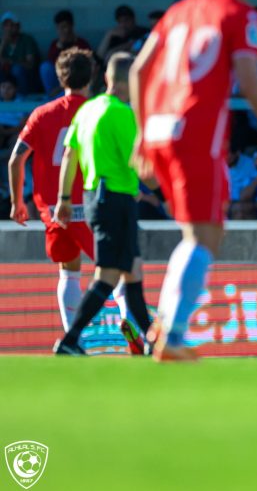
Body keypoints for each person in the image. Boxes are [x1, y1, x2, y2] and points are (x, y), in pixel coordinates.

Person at [130, 0, 257, 361]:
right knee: (205, 234)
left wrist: (140, 132)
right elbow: (249, 79)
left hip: (157, 128)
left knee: (200, 232)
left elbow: (137, 70)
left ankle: (166, 327)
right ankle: (173, 337)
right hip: (196, 132)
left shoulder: (179, 10)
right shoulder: (241, 15)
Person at [52, 52, 153, 355]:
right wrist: (164, 185)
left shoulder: (87, 110)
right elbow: (137, 162)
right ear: (129, 82)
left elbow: (70, 154)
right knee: (108, 275)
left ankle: (153, 340)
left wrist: (64, 199)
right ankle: (70, 340)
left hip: (95, 195)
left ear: (106, 77)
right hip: (116, 198)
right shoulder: (122, 114)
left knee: (132, 271)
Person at [8, 49, 96, 335]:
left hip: (56, 208)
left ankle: (73, 338)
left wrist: (17, 202)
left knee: (69, 271)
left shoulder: (42, 114)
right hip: (92, 203)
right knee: (118, 269)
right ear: (91, 76)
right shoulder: (97, 112)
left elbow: (16, 159)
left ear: (60, 77)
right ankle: (129, 322)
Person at [40, 9, 93, 96]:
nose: (65, 30)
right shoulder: (55, 45)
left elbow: (88, 65)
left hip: (76, 82)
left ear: (71, 26)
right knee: (45, 67)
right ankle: (51, 97)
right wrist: (60, 45)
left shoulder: (82, 43)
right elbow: (53, 66)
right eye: (62, 27)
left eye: (67, 26)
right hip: (60, 81)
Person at [0, 12, 41, 95]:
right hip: (7, 79)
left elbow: (30, 65)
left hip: (28, 78)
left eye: (12, 25)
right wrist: (3, 45)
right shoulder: (3, 42)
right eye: (6, 25)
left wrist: (10, 62)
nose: (9, 28)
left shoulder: (27, 40)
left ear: (18, 26)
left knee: (17, 70)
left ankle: (22, 97)